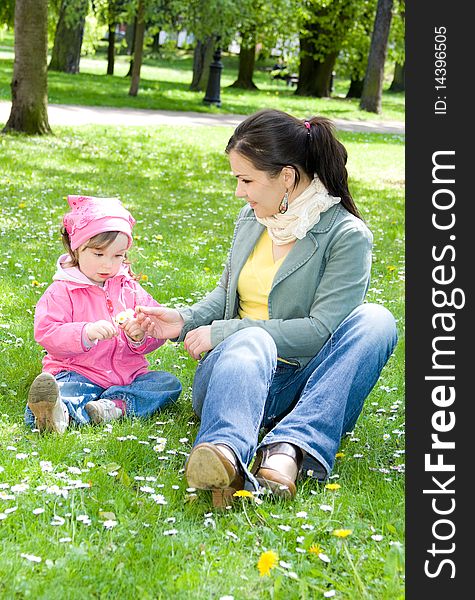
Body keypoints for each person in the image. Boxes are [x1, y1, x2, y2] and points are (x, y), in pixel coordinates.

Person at [136, 109, 398, 506]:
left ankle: (291, 447)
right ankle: (224, 455)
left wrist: (227, 331)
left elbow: (321, 331)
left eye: (246, 180)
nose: (239, 192)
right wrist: (184, 320)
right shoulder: (252, 219)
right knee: (252, 341)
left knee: (377, 320)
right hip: (235, 377)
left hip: (307, 386)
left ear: (287, 177)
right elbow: (226, 294)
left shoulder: (346, 235)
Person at [25, 195, 181, 434]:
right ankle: (55, 413)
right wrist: (84, 333)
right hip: (80, 372)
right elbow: (47, 333)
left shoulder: (129, 288)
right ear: (77, 248)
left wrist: (139, 336)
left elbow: (156, 327)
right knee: (64, 390)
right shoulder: (62, 290)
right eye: (99, 254)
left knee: (167, 384)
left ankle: (113, 407)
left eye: (118, 256)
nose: (108, 265)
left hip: (128, 376)